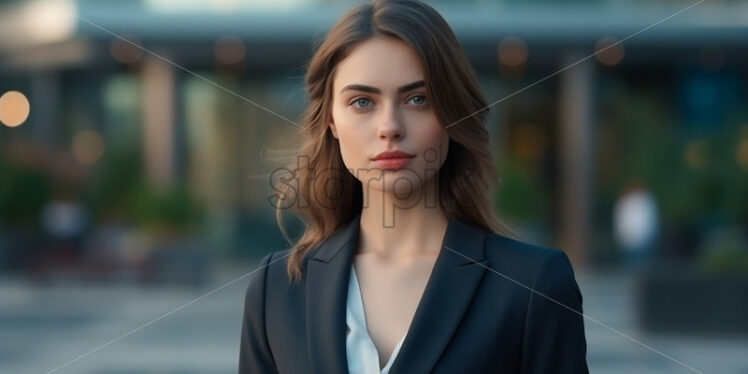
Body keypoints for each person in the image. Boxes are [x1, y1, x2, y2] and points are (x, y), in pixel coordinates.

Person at [239, 1, 589, 373]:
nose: (389, 126)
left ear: (454, 114)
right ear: (331, 121)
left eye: (417, 99)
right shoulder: (276, 289)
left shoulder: (533, 284)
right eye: (362, 102)